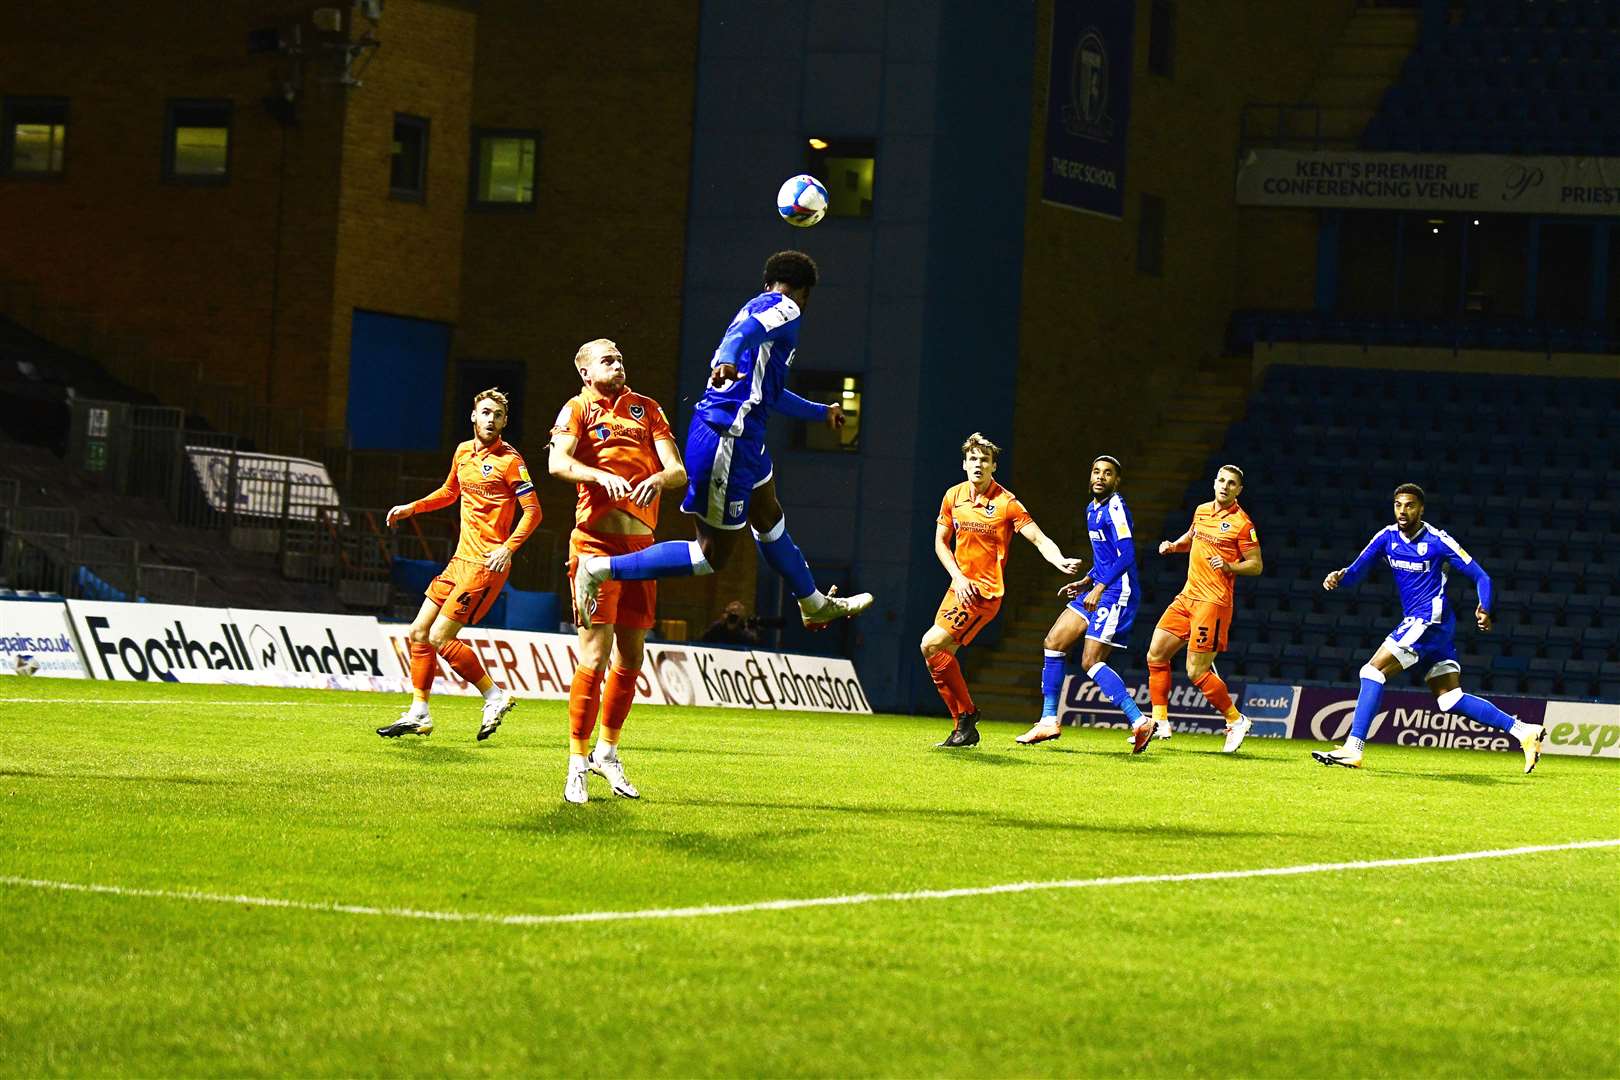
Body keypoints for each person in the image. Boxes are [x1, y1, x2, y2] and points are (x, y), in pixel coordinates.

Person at [571, 251, 872, 632]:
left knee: (768, 516)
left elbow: (767, 391)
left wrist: (819, 411)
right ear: (805, 293)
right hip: (725, 440)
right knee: (708, 556)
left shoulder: (755, 307)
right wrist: (726, 357)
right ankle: (599, 569)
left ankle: (812, 603)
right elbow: (740, 337)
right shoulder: (786, 307)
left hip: (745, 440)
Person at [1314, 483, 1545, 772]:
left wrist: (1485, 608)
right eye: (1398, 504)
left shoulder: (1438, 541)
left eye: (1409, 505)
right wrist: (1339, 576)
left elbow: (1482, 576)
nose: (1402, 510)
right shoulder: (1386, 537)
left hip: (1428, 621)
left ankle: (1353, 748)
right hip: (1433, 628)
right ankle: (1523, 730)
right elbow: (1356, 571)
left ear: (1421, 509)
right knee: (1450, 699)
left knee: (1372, 671)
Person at [549, 339, 687, 803]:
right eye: (607, 360)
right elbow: (556, 462)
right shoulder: (577, 409)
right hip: (594, 547)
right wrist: (596, 474)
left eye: (621, 358)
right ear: (585, 372)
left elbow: (678, 472)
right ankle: (576, 762)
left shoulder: (647, 409)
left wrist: (657, 479)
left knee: (631, 657)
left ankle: (608, 752)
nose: (618, 364)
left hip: (641, 551)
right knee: (593, 655)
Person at [377, 388, 539, 740]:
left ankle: (494, 695)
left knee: (439, 636)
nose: (491, 419)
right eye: (485, 412)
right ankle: (419, 713)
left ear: (505, 421)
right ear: (473, 415)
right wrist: (412, 508)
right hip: (459, 561)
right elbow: (450, 492)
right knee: (419, 632)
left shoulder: (511, 461)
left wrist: (508, 548)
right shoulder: (463, 452)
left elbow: (534, 512)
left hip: (487, 563)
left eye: (498, 414)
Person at [928, 433, 1084, 748]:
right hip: (959, 588)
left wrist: (1059, 560)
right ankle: (965, 722)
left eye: (984, 460)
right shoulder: (953, 497)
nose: (978, 465)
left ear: (993, 466)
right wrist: (957, 577)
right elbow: (940, 543)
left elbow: (1038, 538)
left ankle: (966, 718)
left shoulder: (1006, 503)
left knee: (931, 644)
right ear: (964, 464)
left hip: (984, 593)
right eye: (973, 459)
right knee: (936, 655)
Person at [1016, 454, 1145, 745]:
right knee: (1054, 642)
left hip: (1117, 591)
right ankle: (1049, 720)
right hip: (1099, 585)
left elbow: (1126, 556)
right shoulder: (1091, 508)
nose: (1100, 477)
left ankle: (1139, 720)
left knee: (1090, 661)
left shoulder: (1116, 508)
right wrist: (1087, 581)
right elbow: (1106, 557)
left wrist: (1098, 588)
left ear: (1117, 480)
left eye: (1108, 473)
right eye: (1096, 471)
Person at [1142, 464, 1262, 755]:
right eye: (1221, 480)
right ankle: (1159, 720)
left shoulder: (1242, 524)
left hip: (1213, 602)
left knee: (1196, 670)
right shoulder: (1201, 511)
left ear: (1238, 490)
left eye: (1232, 483)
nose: (1225, 486)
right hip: (1187, 596)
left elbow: (1256, 564)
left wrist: (1230, 566)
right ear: (1215, 483)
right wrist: (1173, 546)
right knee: (1156, 654)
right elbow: (1191, 537)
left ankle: (1236, 720)